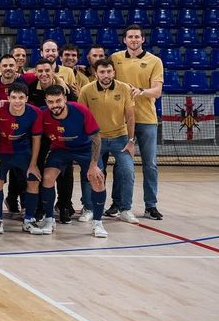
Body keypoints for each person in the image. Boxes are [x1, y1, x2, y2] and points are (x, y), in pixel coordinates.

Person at [109, 25, 164, 220]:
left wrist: (141, 91)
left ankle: (151, 205)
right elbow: (102, 73)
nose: (133, 40)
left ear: (143, 40)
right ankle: (117, 204)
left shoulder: (154, 61)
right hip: (123, 121)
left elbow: (157, 91)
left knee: (149, 164)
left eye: (137, 37)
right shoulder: (115, 58)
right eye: (130, 37)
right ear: (124, 40)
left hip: (147, 119)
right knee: (121, 164)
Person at [39, 85, 108, 238]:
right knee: (47, 178)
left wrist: (94, 164)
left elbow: (96, 137)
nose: (55, 105)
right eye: (51, 102)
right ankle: (49, 219)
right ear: (46, 101)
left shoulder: (80, 110)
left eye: (58, 101)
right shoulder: (42, 114)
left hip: (85, 149)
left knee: (97, 179)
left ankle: (98, 223)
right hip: (60, 150)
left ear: (65, 99)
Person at [79, 59, 139, 225]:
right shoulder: (86, 90)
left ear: (114, 72)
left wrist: (131, 140)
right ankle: (89, 208)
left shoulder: (124, 88)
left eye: (109, 71)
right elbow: (81, 117)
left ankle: (125, 209)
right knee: (94, 173)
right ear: (96, 73)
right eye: (102, 72)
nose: (106, 75)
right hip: (95, 139)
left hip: (120, 137)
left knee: (127, 171)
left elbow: (130, 115)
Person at [0, 83, 43, 235]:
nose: (17, 101)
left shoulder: (35, 112)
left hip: (23, 152)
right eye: (13, 97)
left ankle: (29, 220)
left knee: (33, 180)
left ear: (27, 98)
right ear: (8, 98)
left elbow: (37, 139)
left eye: (21, 98)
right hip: (1, 152)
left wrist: (33, 164)